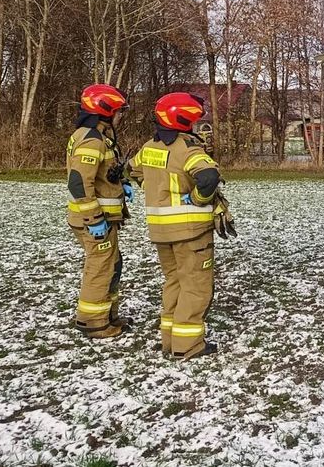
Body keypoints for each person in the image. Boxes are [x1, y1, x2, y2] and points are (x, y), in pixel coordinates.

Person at [126, 92, 223, 360]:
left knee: (174, 282)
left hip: (160, 230)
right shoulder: (188, 149)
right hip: (190, 231)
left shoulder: (149, 147)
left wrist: (150, 187)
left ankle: (169, 340)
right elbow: (208, 177)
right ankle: (188, 345)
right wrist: (196, 198)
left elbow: (132, 169)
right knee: (196, 286)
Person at [67, 84, 134, 339]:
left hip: (102, 219)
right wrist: (94, 219)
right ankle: (93, 322)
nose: (121, 116)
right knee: (101, 268)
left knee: (112, 264)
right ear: (105, 111)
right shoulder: (92, 140)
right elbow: (78, 182)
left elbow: (99, 175)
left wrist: (121, 183)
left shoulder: (96, 136)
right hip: (94, 221)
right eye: (119, 111)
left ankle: (108, 315)